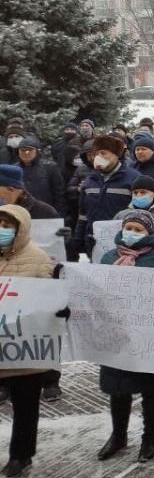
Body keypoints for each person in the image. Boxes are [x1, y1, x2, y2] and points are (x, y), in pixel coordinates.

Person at [95, 211, 154, 463]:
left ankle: (148, 437)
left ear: (150, 232)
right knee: (117, 388)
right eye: (128, 228)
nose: (132, 233)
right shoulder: (110, 257)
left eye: (138, 229)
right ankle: (118, 436)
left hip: (148, 335)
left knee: (150, 388)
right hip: (118, 335)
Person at [0, 204, 62, 477]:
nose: (1, 231)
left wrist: (59, 307)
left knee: (25, 407)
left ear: (20, 229)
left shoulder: (39, 259)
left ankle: (21, 456)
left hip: (25, 350)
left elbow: (50, 299)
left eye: (7, 226)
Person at [73, 134, 142, 256]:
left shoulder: (134, 179)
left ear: (116, 154)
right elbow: (83, 215)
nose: (98, 157)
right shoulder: (89, 181)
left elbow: (142, 214)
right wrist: (77, 240)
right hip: (95, 242)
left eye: (103, 153)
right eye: (95, 154)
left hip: (124, 244)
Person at [14, 138, 63, 216]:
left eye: (30, 150)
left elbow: (59, 194)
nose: (26, 153)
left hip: (46, 213)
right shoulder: (14, 169)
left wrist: (58, 215)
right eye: (23, 150)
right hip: (20, 214)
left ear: (36, 151)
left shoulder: (50, 167)